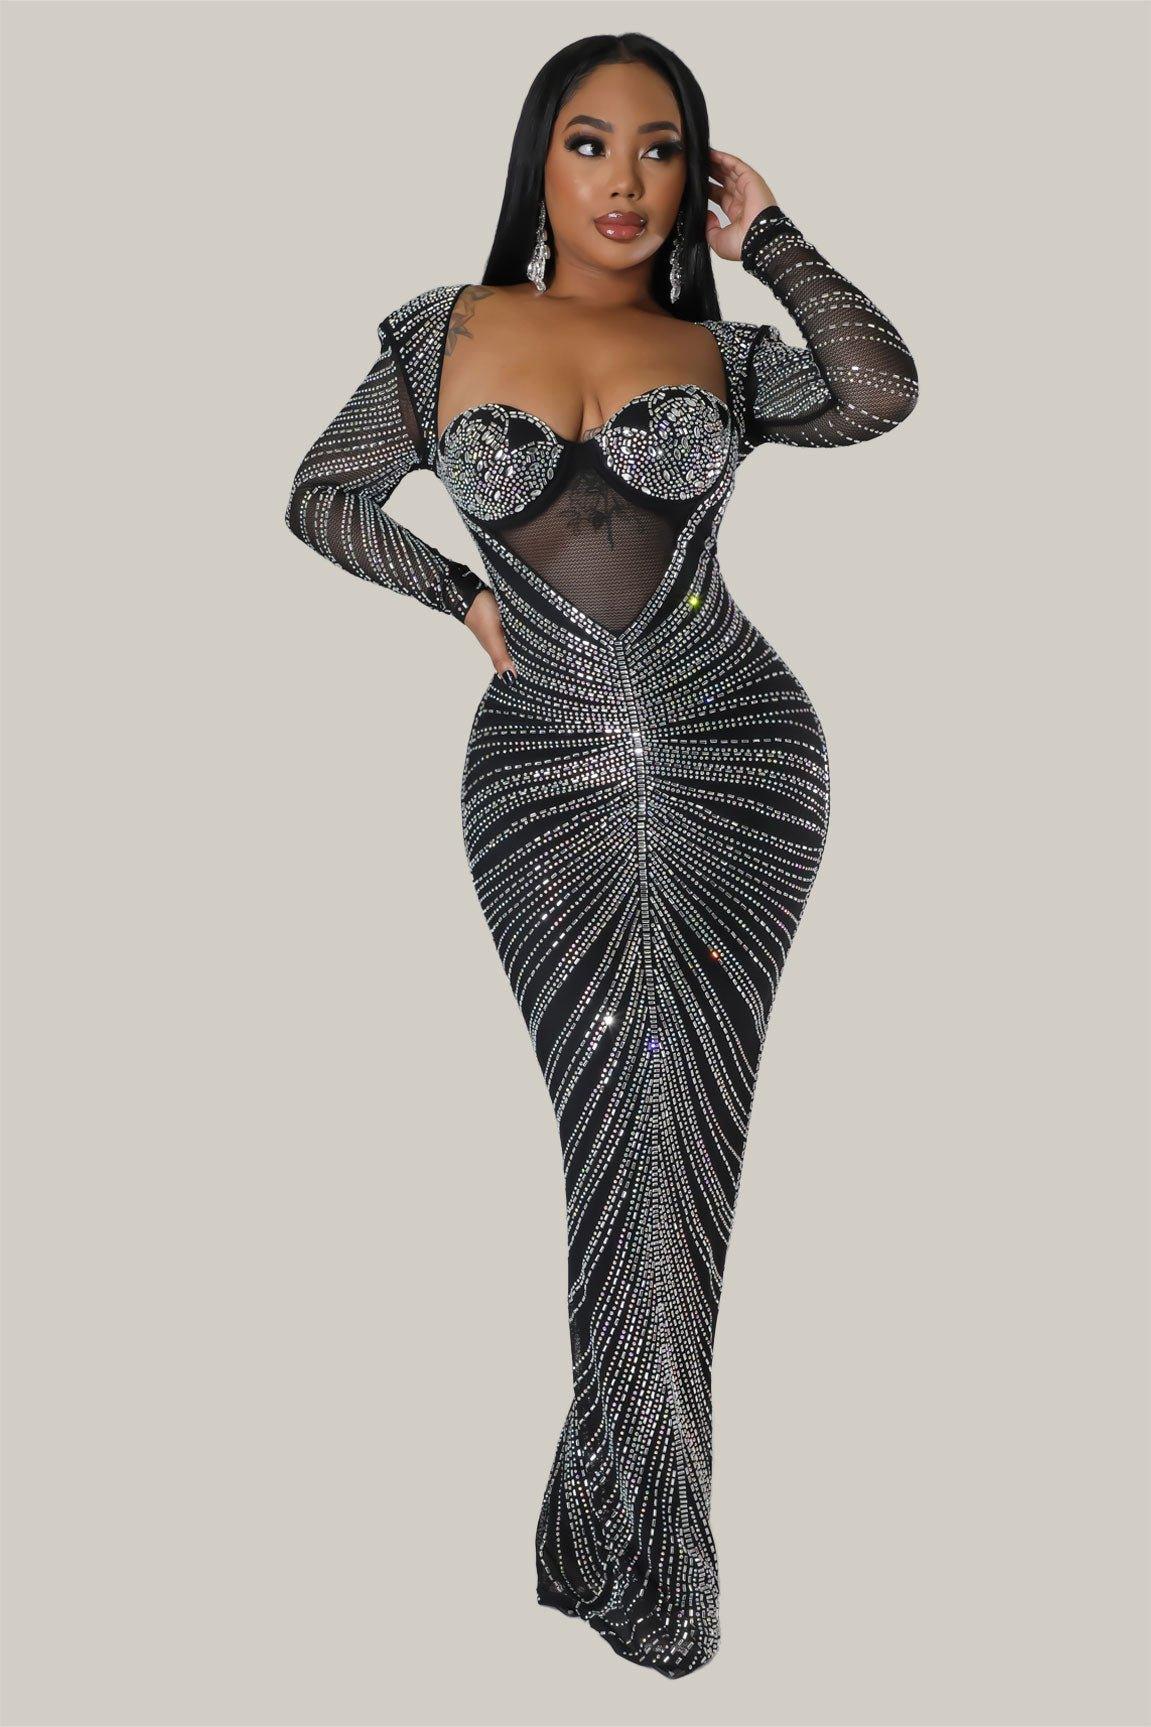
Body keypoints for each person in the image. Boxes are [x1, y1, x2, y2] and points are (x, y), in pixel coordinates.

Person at [284, 31, 918, 1680]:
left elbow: (880, 387)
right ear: (537, 162)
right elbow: (324, 496)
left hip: (737, 763)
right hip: (543, 782)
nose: (625, 181)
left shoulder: (721, 352)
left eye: (660, 149)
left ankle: (639, 1534)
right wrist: (458, 600)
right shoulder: (443, 334)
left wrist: (770, 235)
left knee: (686, 1140)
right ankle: (623, 1526)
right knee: (615, 1134)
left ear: (692, 173)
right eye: (589, 143)